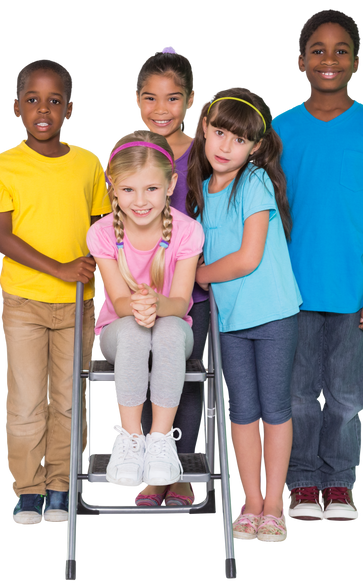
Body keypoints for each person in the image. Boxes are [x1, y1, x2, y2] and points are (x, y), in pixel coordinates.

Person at [271, 7, 363, 524]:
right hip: (292, 289)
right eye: (317, 51)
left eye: (340, 52)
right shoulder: (279, 127)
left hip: (355, 288)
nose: (328, 60)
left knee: (349, 395)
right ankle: (302, 481)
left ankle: (340, 485)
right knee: (300, 395)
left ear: (356, 63)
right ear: (299, 62)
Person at [0, 57, 111, 527]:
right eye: (32, 100)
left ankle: (61, 485)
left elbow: (101, 231)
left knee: (68, 397)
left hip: (80, 303)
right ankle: (28, 490)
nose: (43, 109)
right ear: (16, 107)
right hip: (23, 302)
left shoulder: (89, 162)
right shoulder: (1, 165)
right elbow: (1, 238)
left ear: (70, 109)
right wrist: (60, 267)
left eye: (54, 101)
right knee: (27, 399)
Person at [187, 84, 302, 544]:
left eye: (238, 139)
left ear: (256, 146)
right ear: (205, 131)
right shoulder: (199, 190)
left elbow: (248, 258)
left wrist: (199, 274)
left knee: (273, 410)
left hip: (273, 314)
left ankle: (275, 504)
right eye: (219, 133)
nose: (225, 146)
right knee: (241, 412)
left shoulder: (253, 182)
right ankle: (250, 503)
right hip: (230, 321)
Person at [87, 128, 203, 497]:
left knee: (167, 329)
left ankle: (159, 440)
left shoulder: (187, 232)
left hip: (172, 325)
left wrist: (156, 304)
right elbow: (119, 302)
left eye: (151, 189)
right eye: (129, 190)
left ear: (170, 185)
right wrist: (137, 307)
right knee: (137, 331)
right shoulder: (103, 233)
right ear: (114, 187)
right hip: (119, 330)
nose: (140, 201)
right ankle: (130, 439)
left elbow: (182, 301)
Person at [130, 43, 204, 506]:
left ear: (191, 100)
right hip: (137, 289)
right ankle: (148, 467)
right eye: (151, 98)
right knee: (143, 369)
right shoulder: (129, 150)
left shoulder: (203, 151)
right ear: (136, 98)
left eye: (173, 98)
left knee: (183, 377)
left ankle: (173, 474)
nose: (162, 109)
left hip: (186, 288)